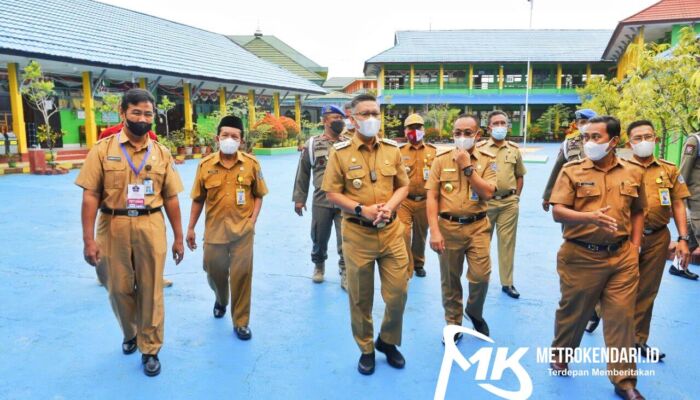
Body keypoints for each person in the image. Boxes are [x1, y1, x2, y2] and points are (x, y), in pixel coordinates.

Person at [76, 88, 184, 377]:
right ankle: (130, 332)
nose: (142, 118)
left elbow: (172, 197)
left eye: (148, 113)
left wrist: (177, 236)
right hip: (113, 225)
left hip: (151, 223)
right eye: (136, 112)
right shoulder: (103, 150)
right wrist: (88, 240)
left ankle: (150, 348)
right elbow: (89, 196)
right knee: (118, 288)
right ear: (123, 113)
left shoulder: (162, 153)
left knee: (151, 290)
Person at [548, 116, 646, 400]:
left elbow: (639, 210)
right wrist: (589, 217)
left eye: (596, 137)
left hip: (622, 258)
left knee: (621, 318)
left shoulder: (632, 171)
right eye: (586, 137)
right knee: (573, 313)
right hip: (580, 256)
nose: (589, 142)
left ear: (614, 142)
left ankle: (624, 381)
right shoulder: (572, 170)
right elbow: (557, 211)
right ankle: (561, 354)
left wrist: (635, 246)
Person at [321, 94, 410, 375]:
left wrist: (389, 208)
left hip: (392, 231)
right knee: (360, 298)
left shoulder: (392, 149)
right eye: (365, 114)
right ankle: (367, 348)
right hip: (358, 235)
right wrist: (362, 209)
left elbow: (402, 186)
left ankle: (387, 340)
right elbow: (331, 192)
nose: (371, 118)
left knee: (398, 293)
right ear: (353, 119)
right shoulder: (341, 152)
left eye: (375, 112)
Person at [186, 116, 268, 341]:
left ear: (241, 141)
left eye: (235, 136)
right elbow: (197, 199)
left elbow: (259, 195)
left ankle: (241, 322)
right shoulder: (205, 166)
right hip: (214, 232)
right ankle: (221, 299)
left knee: (242, 276)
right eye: (225, 136)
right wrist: (191, 228)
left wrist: (252, 221)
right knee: (214, 272)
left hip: (242, 232)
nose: (230, 140)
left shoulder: (252, 164)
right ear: (217, 138)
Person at [426, 114, 497, 342]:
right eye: (457, 133)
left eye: (468, 133)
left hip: (478, 227)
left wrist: (468, 167)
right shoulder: (441, 159)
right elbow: (432, 197)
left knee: (481, 276)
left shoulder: (487, 160)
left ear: (478, 134)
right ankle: (454, 323)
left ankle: (474, 311)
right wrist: (434, 231)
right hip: (448, 228)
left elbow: (487, 192)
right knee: (450, 279)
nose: (462, 137)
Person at [625, 120, 691, 361]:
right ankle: (598, 312)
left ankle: (637, 340)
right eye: (638, 137)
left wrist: (683, 238)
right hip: (625, 238)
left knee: (647, 291)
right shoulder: (620, 167)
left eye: (648, 136)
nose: (644, 141)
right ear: (628, 142)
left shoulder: (668, 169)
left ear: (656, 139)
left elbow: (678, 203)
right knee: (617, 286)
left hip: (657, 237)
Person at [292, 105, 348, 287]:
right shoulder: (312, 144)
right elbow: (303, 173)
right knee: (319, 236)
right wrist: (300, 199)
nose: (339, 122)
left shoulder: (349, 143)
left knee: (346, 237)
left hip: (344, 199)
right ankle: (319, 265)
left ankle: (345, 270)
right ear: (325, 121)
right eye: (335, 118)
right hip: (321, 199)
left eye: (341, 118)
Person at [478, 110, 526, 298]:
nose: (500, 127)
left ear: (508, 126)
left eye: (503, 123)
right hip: (486, 204)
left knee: (507, 244)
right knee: (482, 244)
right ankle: (481, 280)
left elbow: (519, 176)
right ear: (489, 127)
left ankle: (507, 283)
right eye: (496, 123)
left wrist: (516, 197)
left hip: (508, 203)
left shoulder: (514, 149)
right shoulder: (480, 148)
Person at [397, 113, 437, 278]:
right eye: (411, 128)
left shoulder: (433, 152)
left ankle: (418, 263)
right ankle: (407, 265)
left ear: (423, 130)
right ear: (405, 131)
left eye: (418, 127)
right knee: (404, 233)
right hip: (404, 200)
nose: (414, 131)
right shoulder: (398, 152)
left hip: (424, 201)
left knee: (421, 235)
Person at [542, 108, 596, 211]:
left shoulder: (604, 142)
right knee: (570, 223)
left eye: (590, 122)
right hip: (574, 194)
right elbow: (558, 169)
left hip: (599, 193)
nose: (587, 125)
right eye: (583, 122)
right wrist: (548, 195)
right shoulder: (569, 143)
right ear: (576, 124)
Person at [675, 130, 700, 280]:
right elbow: (684, 169)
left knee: (690, 234)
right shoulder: (695, 140)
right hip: (697, 195)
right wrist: (679, 196)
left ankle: (678, 265)